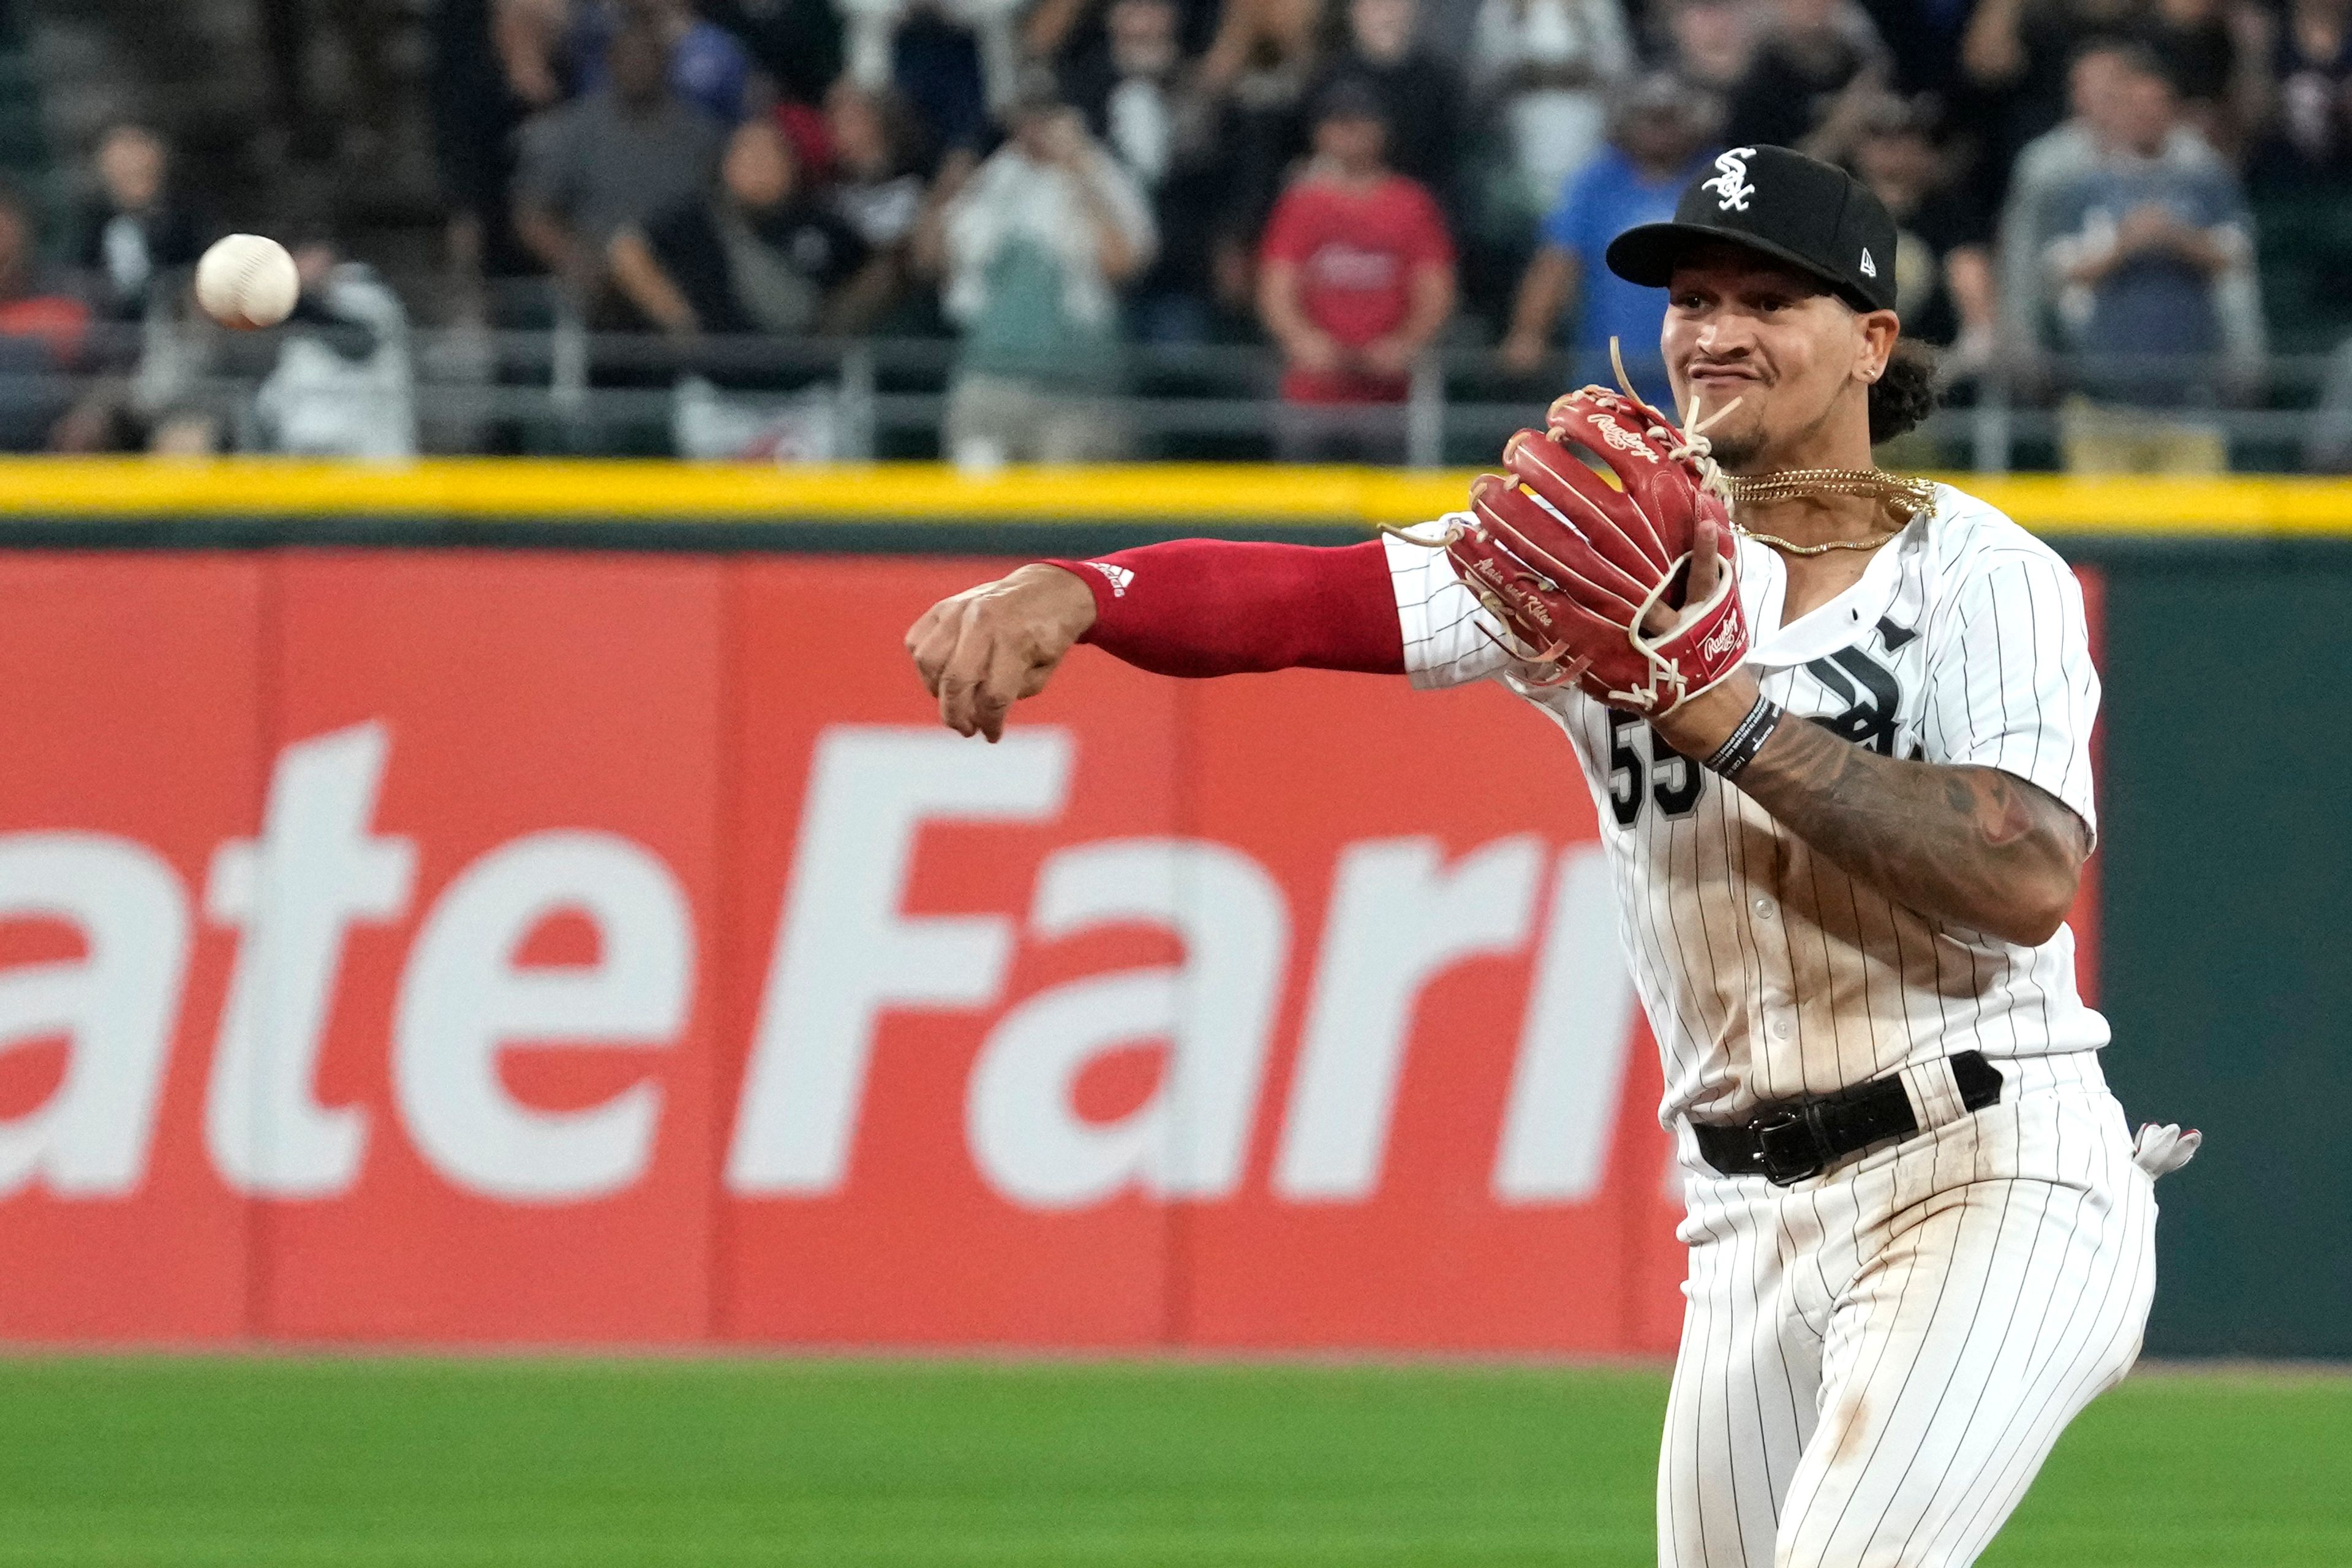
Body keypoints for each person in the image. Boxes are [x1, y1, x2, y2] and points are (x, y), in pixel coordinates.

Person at [905, 143, 2195, 1568]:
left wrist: (1723, 713)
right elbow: (1311, 600)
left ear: (1869, 341)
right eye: (1691, 296)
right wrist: (1083, 590)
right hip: (1747, 1216)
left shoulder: (1977, 571)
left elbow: (2019, 879)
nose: (1712, 329)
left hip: (1990, 1161)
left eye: (1767, 298)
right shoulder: (1598, 544)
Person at [2044, 51, 2258, 472]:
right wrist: (2126, 244)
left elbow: (2237, 257)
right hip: (2101, 398)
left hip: (2190, 396)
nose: (2144, 117)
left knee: (2198, 528)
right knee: (2099, 532)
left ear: (2173, 114)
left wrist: (2176, 237)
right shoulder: (2081, 187)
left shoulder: (2205, 180)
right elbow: (2059, 272)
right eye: (2134, 106)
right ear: (2116, 112)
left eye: (2156, 106)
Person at [936, 85, 1156, 466]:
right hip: (989, 382)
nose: (1033, 128)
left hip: (1076, 392)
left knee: (1065, 519)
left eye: (1045, 116)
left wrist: (1077, 171)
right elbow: (930, 258)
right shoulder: (993, 179)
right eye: (1025, 117)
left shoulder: (1106, 176)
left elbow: (1122, 263)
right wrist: (954, 182)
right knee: (976, 515)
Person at [1256, 78, 1457, 461]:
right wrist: (1302, 340)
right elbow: (1276, 285)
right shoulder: (1302, 202)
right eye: (1338, 123)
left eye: (1360, 122)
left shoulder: (1409, 203)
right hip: (1313, 390)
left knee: (1392, 508)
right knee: (1306, 505)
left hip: (1389, 391)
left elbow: (1434, 287)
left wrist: (1405, 343)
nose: (1349, 134)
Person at [1498, 72, 1717, 402]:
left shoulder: (1717, 177)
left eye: (1669, 119)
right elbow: (1557, 262)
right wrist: (1529, 332)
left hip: (1703, 369)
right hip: (1608, 370)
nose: (1659, 131)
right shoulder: (1596, 182)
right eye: (1649, 119)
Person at [512, 19, 725, 318]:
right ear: (609, 62)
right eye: (628, 56)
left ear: (667, 62)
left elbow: (725, 212)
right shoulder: (573, 129)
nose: (637, 65)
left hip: (687, 283)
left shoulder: (702, 136)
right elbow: (532, 213)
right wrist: (575, 259)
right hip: (600, 288)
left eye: (647, 56)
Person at [609, 119, 883, 344]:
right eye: (748, 155)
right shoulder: (694, 221)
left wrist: (836, 327)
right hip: (714, 389)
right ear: (726, 165)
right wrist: (679, 321)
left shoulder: (819, 222)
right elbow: (626, 249)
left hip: (807, 389)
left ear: (792, 167)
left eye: (770, 155)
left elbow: (873, 270)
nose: (759, 167)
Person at [1471, 0, 1636, 222]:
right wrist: (1516, 22)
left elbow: (1619, 67)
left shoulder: (1597, 5)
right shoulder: (1503, 5)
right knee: (1525, 207)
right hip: (1524, 117)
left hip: (1581, 115)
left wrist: (1582, 24)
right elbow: (1483, 71)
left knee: (1580, 197)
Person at [70, 124, 204, 324]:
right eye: (120, 160)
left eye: (139, 156)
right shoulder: (90, 223)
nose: (132, 166)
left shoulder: (187, 219)